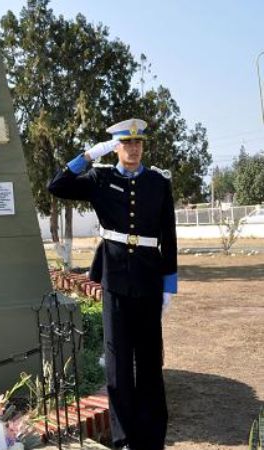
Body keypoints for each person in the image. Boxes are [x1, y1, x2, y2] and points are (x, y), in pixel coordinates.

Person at [47, 118, 177, 450]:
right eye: (126, 143)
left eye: (138, 143)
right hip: (115, 281)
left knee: (149, 364)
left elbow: (169, 237)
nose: (133, 148)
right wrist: (89, 155)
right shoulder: (99, 178)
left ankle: (152, 440)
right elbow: (57, 186)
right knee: (118, 366)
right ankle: (124, 441)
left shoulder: (158, 182)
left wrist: (168, 286)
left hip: (148, 281)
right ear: (116, 146)